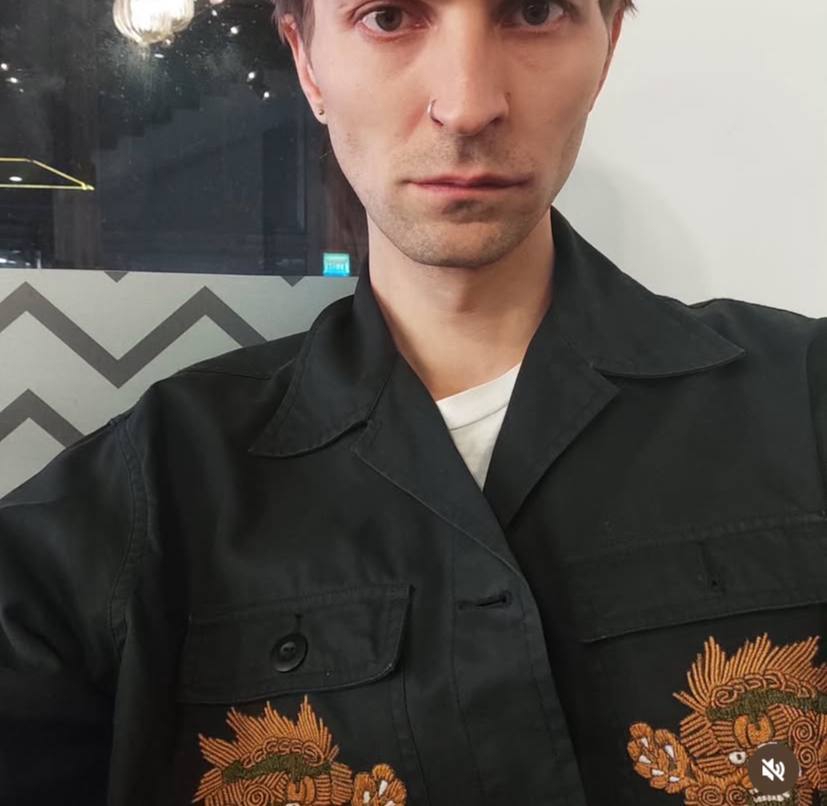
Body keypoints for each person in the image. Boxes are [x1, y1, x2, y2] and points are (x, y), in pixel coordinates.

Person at [1, 0, 826, 804]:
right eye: (388, 17)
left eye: (532, 12)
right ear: (307, 63)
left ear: (605, 45)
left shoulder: (804, 394)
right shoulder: (156, 484)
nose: (467, 105)